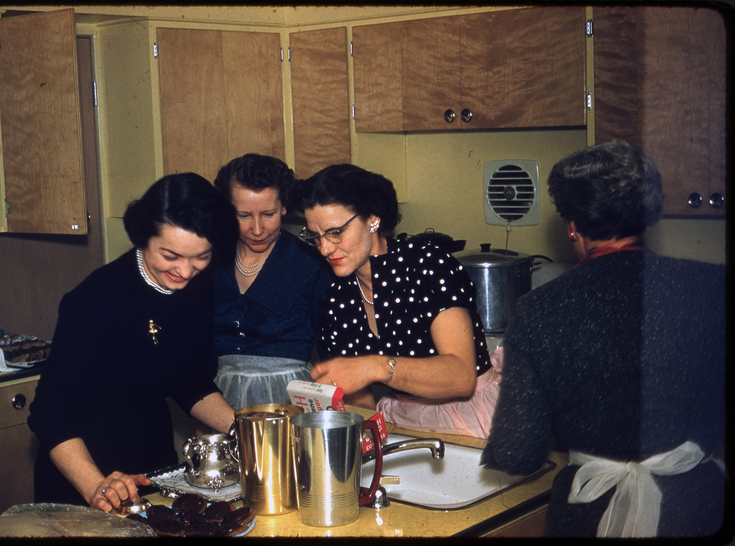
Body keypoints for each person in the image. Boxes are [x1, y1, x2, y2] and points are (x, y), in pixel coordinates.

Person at [481, 140, 726, 537]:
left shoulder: (541, 309)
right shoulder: (714, 287)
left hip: (588, 514)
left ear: (572, 226)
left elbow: (517, 452)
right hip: (697, 511)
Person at [27, 173, 239, 512]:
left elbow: (189, 381)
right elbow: (49, 414)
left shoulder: (197, 285)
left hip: (153, 467)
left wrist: (246, 430)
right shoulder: (97, 299)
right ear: (143, 237)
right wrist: (96, 484)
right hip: (87, 476)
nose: (185, 272)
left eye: (201, 257)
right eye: (170, 255)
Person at [292, 164, 501, 438]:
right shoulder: (335, 299)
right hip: (402, 419)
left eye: (335, 232)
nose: (325, 248)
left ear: (372, 220)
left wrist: (372, 366)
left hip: (473, 415)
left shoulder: (428, 265)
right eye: (315, 237)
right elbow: (361, 402)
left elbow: (461, 377)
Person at [212, 154, 334, 409]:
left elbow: (332, 358)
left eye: (268, 214)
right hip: (216, 402)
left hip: (288, 405)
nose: (257, 229)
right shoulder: (209, 259)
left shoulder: (310, 264)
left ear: (285, 207)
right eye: (243, 215)